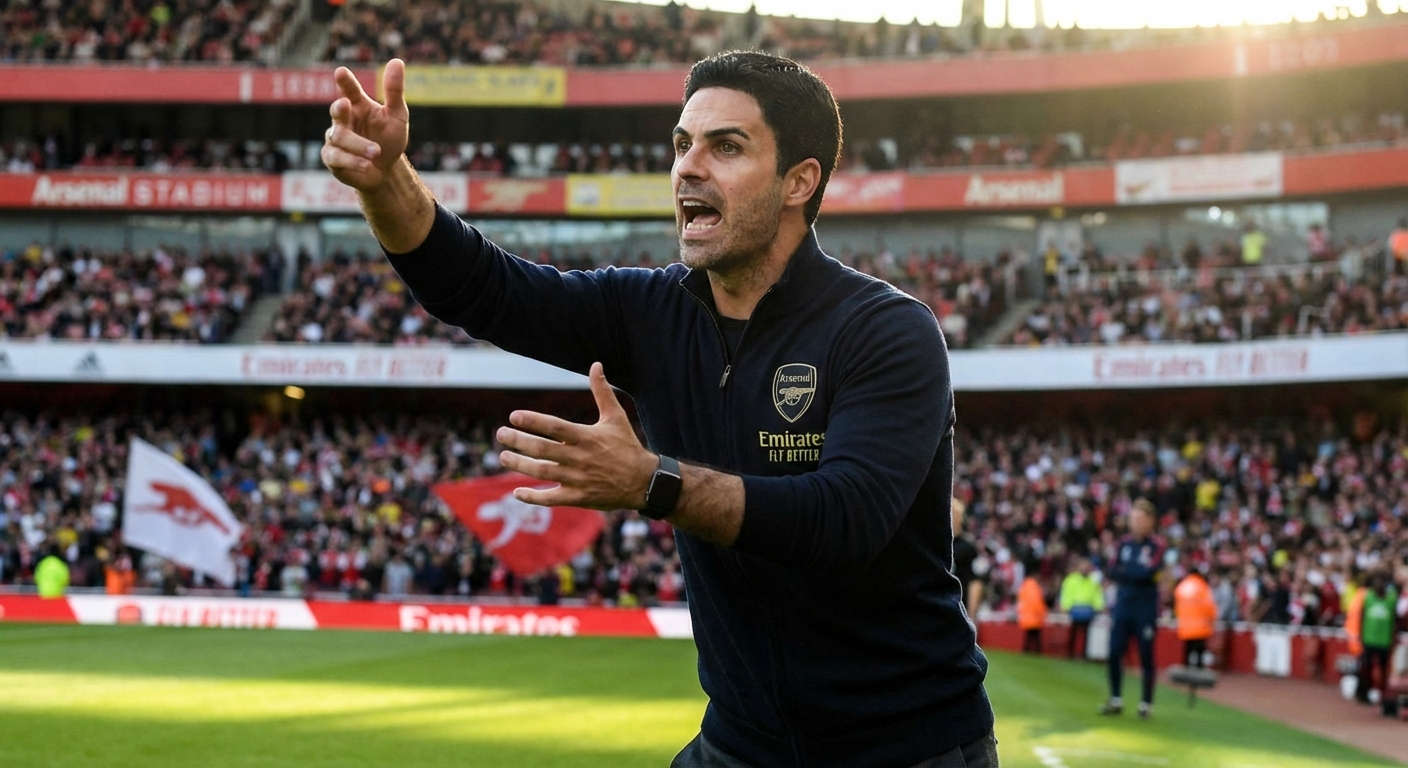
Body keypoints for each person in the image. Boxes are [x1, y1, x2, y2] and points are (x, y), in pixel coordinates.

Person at [322, 52, 997, 767]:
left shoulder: (885, 329)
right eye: (682, 144)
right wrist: (384, 180)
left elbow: (845, 519)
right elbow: (482, 289)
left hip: (906, 747)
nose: (688, 167)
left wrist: (653, 482)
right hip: (741, 744)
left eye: (725, 146)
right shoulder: (647, 310)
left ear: (799, 180)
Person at [1100, 499, 1164, 720]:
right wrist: (1135, 572)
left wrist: (1129, 573)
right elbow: (1113, 570)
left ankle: (1146, 702)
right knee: (1115, 651)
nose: (1135, 523)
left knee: (1146, 654)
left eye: (1139, 518)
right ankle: (1116, 698)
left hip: (1145, 609)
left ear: (1150, 521)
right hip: (1123, 607)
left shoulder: (1157, 546)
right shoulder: (1123, 544)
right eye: (1132, 518)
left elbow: (1150, 573)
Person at [1356, 572, 1399, 706]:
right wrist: (1361, 635)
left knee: (1383, 669)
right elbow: (1361, 618)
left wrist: (1393, 637)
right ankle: (1363, 693)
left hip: (1384, 641)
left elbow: (1394, 621)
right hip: (1368, 640)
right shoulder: (1368, 598)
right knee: (1365, 668)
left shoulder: (1391, 600)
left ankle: (1383, 695)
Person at [1059, 557, 1104, 659]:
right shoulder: (1071, 579)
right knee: (1073, 632)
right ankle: (1070, 653)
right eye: (1082, 566)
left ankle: (1084, 654)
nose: (1084, 569)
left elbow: (1097, 594)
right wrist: (1065, 606)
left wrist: (1099, 606)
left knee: (1087, 634)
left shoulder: (1093, 580)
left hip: (1088, 609)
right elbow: (1066, 593)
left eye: (1086, 567)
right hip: (1075, 609)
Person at [1174, 566, 1217, 668]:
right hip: (1200, 625)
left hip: (1185, 625)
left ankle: (1186, 668)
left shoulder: (1182, 586)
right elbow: (1209, 605)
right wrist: (1213, 618)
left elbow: (1177, 605)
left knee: (1187, 648)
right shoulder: (1202, 586)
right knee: (1199, 650)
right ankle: (1199, 669)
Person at [1017, 566, 1047, 654]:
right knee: (1035, 636)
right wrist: (1042, 611)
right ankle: (1036, 651)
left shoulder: (1025, 585)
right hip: (1034, 615)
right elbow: (1036, 601)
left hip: (1026, 615)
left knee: (1029, 636)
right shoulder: (1033, 586)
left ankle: (1026, 650)